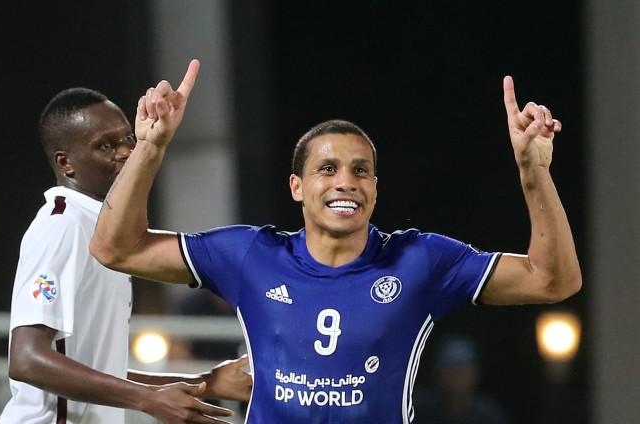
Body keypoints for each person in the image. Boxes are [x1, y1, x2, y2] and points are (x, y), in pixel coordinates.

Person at [89, 60, 581, 423]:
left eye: (360, 171)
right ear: (296, 188)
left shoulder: (420, 260)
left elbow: (553, 281)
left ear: (374, 189)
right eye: (327, 169)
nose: (345, 182)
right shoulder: (251, 256)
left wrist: (533, 171)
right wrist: (149, 149)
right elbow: (117, 248)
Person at [0, 87, 252, 424]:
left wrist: (205, 383)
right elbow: (27, 358)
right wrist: (147, 400)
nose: (125, 152)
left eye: (127, 139)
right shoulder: (63, 225)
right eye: (105, 146)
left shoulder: (103, 229)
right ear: (65, 162)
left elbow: (101, 371)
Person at [413, 334, 512, 424]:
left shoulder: (490, 416)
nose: (457, 374)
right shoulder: (414, 409)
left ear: (475, 373)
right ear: (436, 371)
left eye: (463, 367)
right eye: (450, 366)